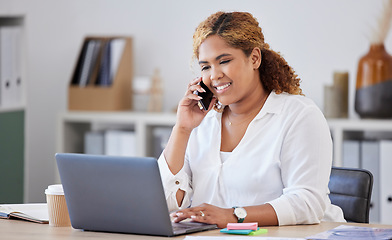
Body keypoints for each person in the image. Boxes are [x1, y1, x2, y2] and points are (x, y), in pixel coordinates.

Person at [157, 11, 345, 228]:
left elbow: (307, 203)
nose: (214, 75)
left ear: (254, 58)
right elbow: (166, 205)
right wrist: (182, 128)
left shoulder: (298, 115)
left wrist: (232, 216)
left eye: (224, 61)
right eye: (206, 66)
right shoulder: (202, 123)